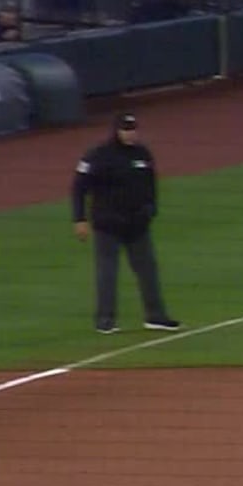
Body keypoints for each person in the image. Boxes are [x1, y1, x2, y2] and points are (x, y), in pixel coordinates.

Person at [70, 112, 181, 334]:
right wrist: (79, 218)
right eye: (125, 129)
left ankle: (156, 316)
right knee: (107, 272)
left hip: (137, 223)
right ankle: (105, 320)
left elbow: (150, 185)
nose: (130, 134)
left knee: (148, 270)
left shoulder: (142, 153)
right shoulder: (98, 156)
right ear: (116, 130)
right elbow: (79, 187)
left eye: (132, 129)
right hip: (108, 222)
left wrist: (151, 209)